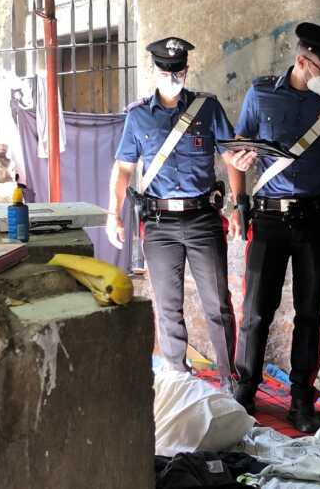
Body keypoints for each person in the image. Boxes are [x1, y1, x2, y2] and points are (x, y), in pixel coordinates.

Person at [226, 22, 320, 432]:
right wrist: (238, 200)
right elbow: (236, 151)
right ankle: (245, 390)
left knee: (310, 313)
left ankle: (302, 398)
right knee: (255, 312)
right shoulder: (261, 94)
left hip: (318, 220)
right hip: (268, 218)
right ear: (302, 61)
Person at [106, 37, 247, 391]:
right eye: (166, 70)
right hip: (159, 223)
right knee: (168, 307)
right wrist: (114, 213)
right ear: (154, 69)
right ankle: (178, 377)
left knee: (218, 305)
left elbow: (229, 155)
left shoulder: (207, 108)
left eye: (178, 70)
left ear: (186, 69)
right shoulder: (138, 116)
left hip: (202, 219)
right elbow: (124, 169)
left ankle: (230, 380)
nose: (172, 76)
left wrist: (239, 186)